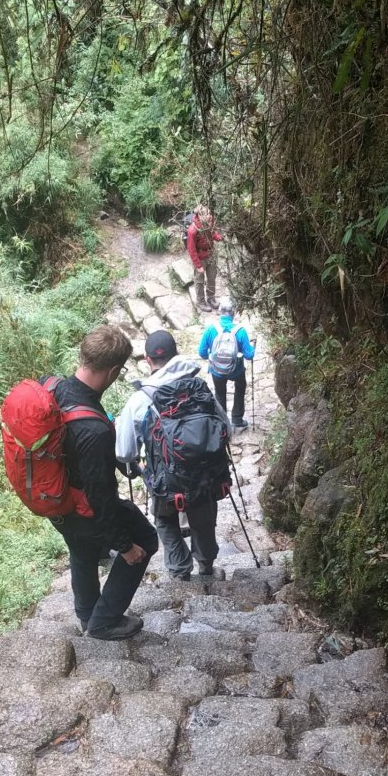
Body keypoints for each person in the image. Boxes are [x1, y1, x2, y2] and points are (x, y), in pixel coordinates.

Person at [49, 325, 159, 640]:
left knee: (81, 548)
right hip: (84, 507)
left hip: (56, 500)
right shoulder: (93, 431)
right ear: (112, 371)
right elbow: (100, 499)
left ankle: (87, 614)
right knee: (145, 539)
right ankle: (104, 622)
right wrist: (125, 546)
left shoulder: (55, 390)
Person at [116, 330, 231, 579]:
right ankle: (206, 566)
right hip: (206, 477)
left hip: (167, 483)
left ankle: (180, 572)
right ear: (176, 353)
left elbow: (124, 452)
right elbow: (227, 430)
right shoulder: (200, 390)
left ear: (148, 360)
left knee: (166, 520)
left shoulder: (140, 400)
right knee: (203, 520)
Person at [198, 298, 255, 430]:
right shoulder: (240, 331)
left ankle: (223, 423)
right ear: (233, 313)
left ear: (219, 312)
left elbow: (201, 352)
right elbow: (249, 355)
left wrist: (212, 356)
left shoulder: (211, 329)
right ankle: (237, 419)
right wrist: (253, 347)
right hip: (236, 370)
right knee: (240, 388)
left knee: (219, 393)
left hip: (217, 371)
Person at [186, 206, 223, 311]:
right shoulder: (193, 230)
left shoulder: (209, 223)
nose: (209, 215)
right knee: (199, 281)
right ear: (200, 215)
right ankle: (200, 301)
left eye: (209, 213)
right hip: (200, 257)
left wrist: (218, 237)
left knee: (212, 278)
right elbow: (191, 249)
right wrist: (198, 265)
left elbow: (213, 232)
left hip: (211, 254)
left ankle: (211, 298)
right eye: (207, 214)